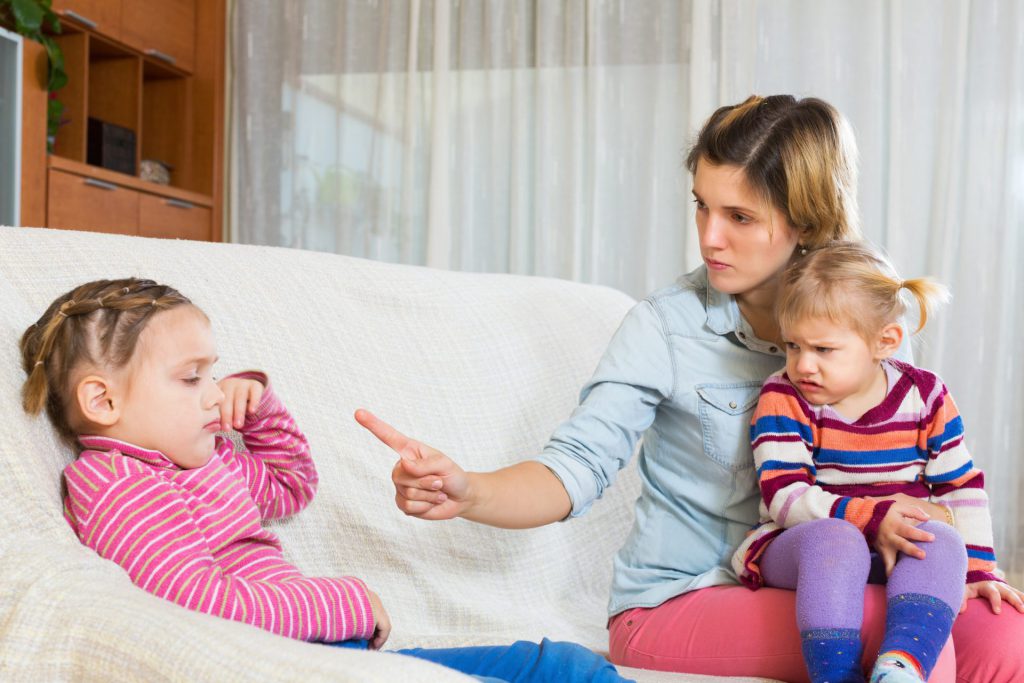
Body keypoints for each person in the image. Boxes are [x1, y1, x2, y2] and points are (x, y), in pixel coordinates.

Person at [355, 94, 1024, 681]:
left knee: (1006, 638)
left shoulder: (858, 317)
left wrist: (973, 565)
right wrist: (470, 489)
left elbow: (918, 468)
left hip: (837, 573)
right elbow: (576, 466)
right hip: (681, 598)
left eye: (740, 216)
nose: (710, 237)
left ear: (805, 223)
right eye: (702, 206)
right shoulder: (665, 327)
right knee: (906, 645)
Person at [19, 277, 633, 683]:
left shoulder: (207, 459)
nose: (213, 394)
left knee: (560, 667)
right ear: (101, 401)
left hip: (320, 654)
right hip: (282, 664)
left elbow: (292, 485)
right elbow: (202, 607)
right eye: (190, 379)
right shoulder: (118, 485)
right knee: (556, 670)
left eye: (214, 373)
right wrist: (348, 603)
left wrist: (256, 407)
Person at [732, 241, 1023, 683]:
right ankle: (834, 674)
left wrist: (981, 568)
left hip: (891, 550)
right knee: (837, 539)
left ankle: (900, 666)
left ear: (884, 342)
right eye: (792, 345)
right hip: (802, 543)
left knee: (942, 539)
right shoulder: (784, 397)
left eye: (823, 350)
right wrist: (873, 517)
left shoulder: (925, 395)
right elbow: (785, 497)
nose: (803, 365)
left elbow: (960, 486)